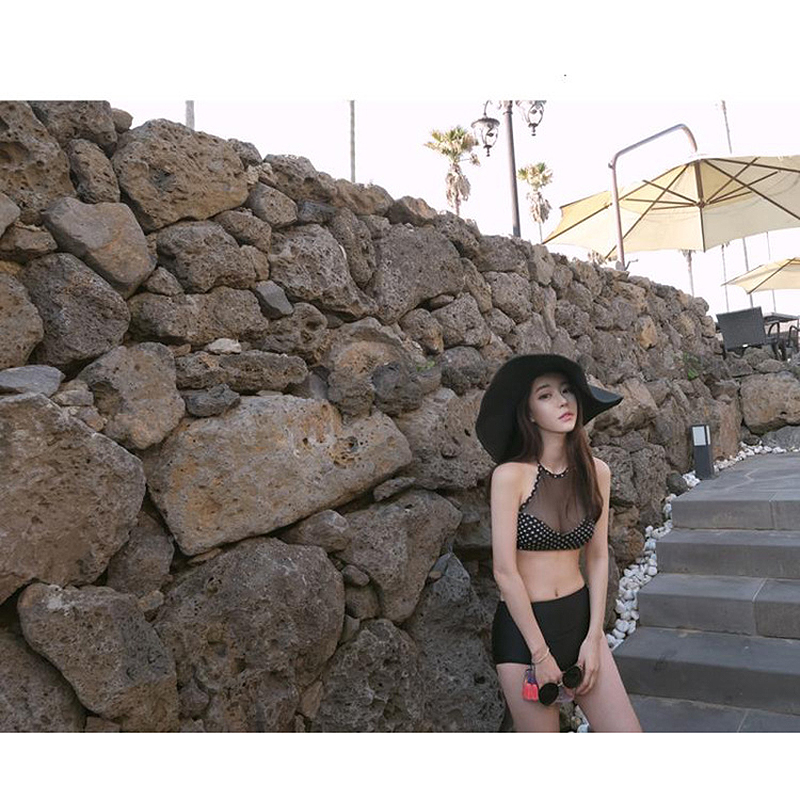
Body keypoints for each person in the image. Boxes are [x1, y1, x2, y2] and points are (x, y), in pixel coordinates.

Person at [475, 353, 642, 733]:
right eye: (546, 395)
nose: (563, 401)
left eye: (567, 391)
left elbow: (597, 558)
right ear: (530, 413)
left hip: (580, 622)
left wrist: (594, 636)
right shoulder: (510, 476)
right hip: (524, 636)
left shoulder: (597, 472)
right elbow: (504, 572)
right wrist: (540, 653)